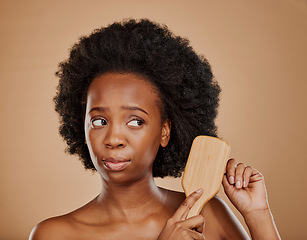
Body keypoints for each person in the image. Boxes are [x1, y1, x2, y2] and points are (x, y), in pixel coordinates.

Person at [29, 19, 281, 239]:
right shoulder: (53, 234)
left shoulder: (209, 214)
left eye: (135, 121)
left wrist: (258, 214)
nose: (114, 138)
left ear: (164, 131)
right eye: (99, 121)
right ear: (81, 129)